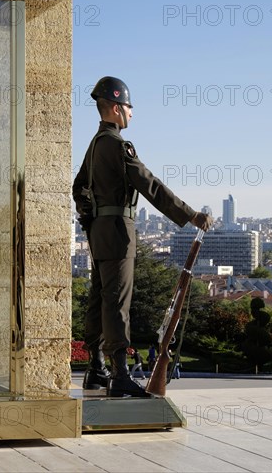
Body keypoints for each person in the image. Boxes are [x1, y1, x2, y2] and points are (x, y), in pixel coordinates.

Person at [72, 76, 213, 398]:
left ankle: (96, 368)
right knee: (117, 303)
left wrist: (90, 217)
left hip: (99, 232)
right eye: (129, 108)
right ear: (117, 107)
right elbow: (149, 184)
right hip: (119, 231)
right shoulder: (118, 144)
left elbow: (78, 186)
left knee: (99, 299)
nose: (132, 114)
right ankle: (119, 373)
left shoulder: (95, 144)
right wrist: (190, 214)